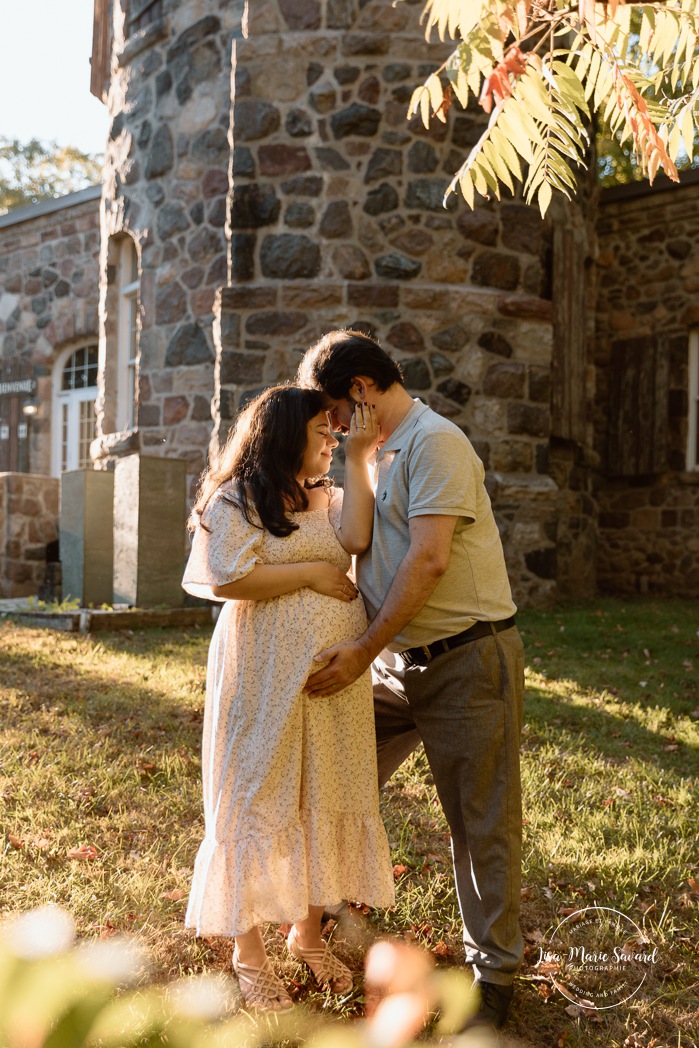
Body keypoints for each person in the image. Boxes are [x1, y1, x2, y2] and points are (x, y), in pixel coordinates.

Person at [298, 331, 524, 1030]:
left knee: (477, 822)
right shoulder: (374, 453)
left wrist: (363, 649)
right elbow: (358, 544)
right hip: (397, 663)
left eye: (333, 410)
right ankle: (321, 919)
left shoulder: (436, 443)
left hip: (465, 660)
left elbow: (425, 562)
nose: (330, 427)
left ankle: (495, 978)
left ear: (361, 392)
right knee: (332, 777)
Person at [182, 384, 395, 1012]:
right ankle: (249, 956)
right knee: (253, 795)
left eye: (335, 435)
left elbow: (356, 540)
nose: (331, 440)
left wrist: (356, 459)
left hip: (333, 687)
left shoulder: (329, 496)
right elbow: (228, 577)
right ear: (284, 437)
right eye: (323, 434)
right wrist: (307, 574)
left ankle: (306, 937)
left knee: (320, 793)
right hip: (262, 673)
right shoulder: (236, 499)